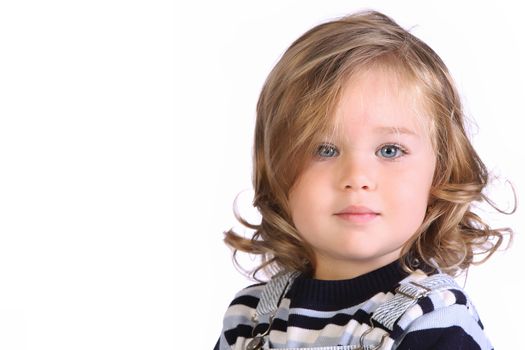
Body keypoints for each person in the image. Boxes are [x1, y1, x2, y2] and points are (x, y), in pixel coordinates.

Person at [214, 10, 515, 350]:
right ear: (275, 169)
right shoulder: (249, 319)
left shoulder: (434, 323)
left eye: (389, 150)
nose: (356, 178)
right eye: (324, 150)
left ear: (441, 172)